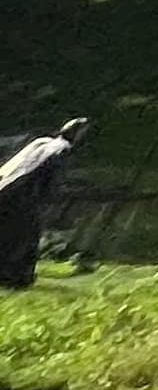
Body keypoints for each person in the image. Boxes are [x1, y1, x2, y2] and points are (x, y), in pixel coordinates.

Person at [0, 118, 87, 287]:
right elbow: (48, 179)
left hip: (6, 188)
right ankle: (14, 277)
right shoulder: (62, 150)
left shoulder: (41, 142)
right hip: (23, 195)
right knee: (23, 236)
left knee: (8, 233)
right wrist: (47, 200)